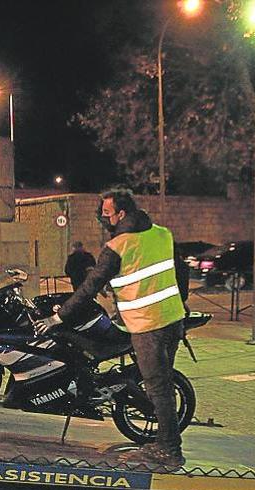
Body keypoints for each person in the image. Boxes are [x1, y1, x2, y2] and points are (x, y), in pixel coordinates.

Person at [34, 189, 187, 468]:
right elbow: (182, 272)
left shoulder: (118, 246)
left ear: (121, 214)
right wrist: (181, 305)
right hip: (173, 319)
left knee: (157, 388)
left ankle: (169, 449)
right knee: (162, 384)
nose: (104, 219)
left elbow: (90, 287)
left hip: (147, 325)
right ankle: (165, 441)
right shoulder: (163, 234)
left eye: (107, 214)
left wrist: (59, 318)